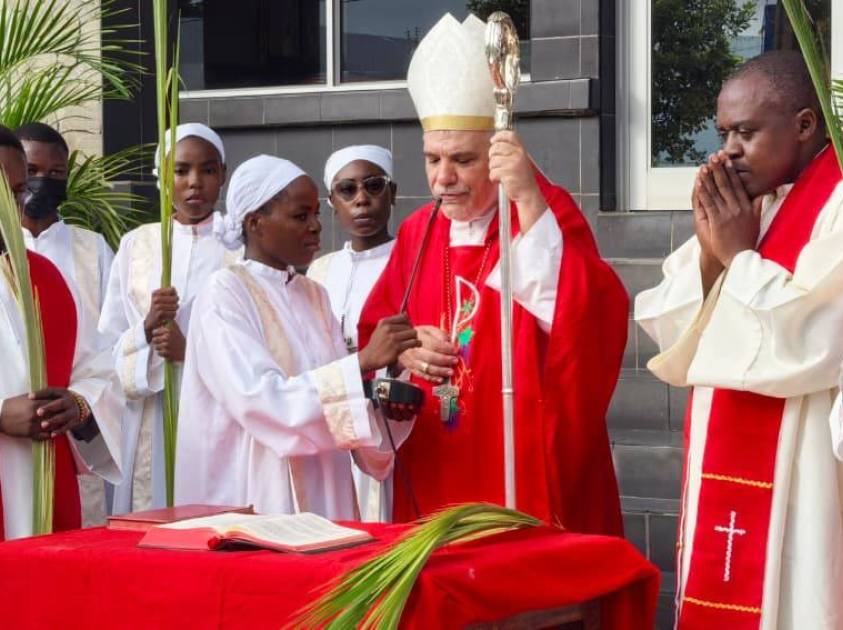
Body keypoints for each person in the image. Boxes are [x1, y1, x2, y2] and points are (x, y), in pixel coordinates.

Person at [358, 14, 628, 534]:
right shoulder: (419, 231)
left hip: (517, 452)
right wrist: (407, 352)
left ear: (499, 154)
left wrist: (527, 198)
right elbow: (376, 333)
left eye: (462, 159)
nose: (443, 178)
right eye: (432, 159)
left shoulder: (539, 213)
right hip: (435, 453)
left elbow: (594, 319)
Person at [635, 50, 843, 627]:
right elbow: (673, 328)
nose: (728, 150)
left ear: (804, 125)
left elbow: (814, 339)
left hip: (807, 471)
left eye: (747, 133)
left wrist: (736, 255)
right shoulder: (753, 202)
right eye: (724, 132)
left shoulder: (836, 204)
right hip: (728, 458)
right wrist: (708, 252)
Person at [175, 155, 419, 518]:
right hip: (257, 491)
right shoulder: (225, 292)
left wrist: (387, 396)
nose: (317, 227)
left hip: (327, 490)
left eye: (316, 214)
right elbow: (262, 402)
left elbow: (341, 411)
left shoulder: (315, 295)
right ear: (255, 223)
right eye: (300, 216)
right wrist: (363, 362)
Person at [99, 123, 239, 515]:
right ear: (162, 175)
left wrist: (190, 351)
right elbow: (105, 344)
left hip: (216, 411)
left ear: (223, 174)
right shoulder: (137, 244)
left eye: (208, 170)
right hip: (150, 409)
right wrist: (145, 328)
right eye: (180, 171)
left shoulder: (240, 245)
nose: (194, 182)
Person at [0, 125, 122, 539]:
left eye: (16, 192)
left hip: (44, 489)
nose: (10, 207)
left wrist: (79, 403)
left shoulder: (46, 279)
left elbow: (100, 370)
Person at [307, 144, 396, 521]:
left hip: (390, 423)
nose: (361, 200)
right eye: (347, 190)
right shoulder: (319, 271)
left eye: (373, 186)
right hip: (332, 416)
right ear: (331, 201)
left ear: (392, 193)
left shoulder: (409, 259)